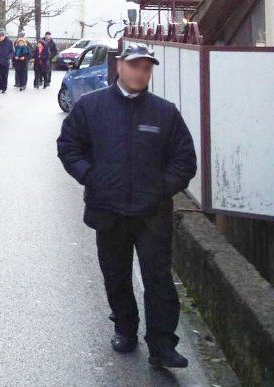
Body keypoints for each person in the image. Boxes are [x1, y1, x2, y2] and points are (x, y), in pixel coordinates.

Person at [57, 43, 196, 370]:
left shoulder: (165, 112)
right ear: (120, 66)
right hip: (108, 209)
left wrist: (161, 188)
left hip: (152, 213)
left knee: (158, 278)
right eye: (135, 65)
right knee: (116, 274)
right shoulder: (91, 107)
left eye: (147, 68)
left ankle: (162, 345)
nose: (141, 73)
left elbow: (184, 161)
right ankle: (125, 328)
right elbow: (69, 147)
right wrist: (90, 177)